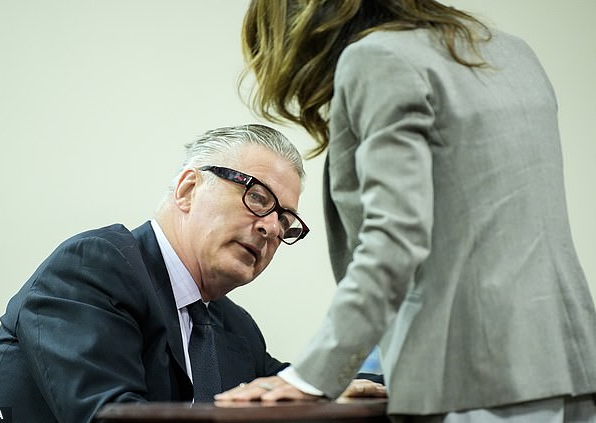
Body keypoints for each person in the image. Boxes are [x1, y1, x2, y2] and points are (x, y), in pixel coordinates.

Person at [216, 1, 596, 422]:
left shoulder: (378, 58)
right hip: (569, 364)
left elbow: (395, 241)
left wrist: (310, 377)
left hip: (471, 381)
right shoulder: (509, 51)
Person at [0, 124, 311, 422]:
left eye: (284, 220)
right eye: (257, 197)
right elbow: (110, 415)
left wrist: (362, 381)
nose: (271, 227)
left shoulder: (236, 326)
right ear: (187, 190)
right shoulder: (91, 268)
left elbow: (301, 387)